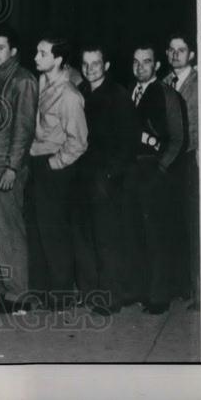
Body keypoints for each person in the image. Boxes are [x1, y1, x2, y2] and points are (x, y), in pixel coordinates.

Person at [72, 44, 139, 315]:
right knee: (85, 237)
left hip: (106, 179)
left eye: (96, 64)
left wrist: (111, 174)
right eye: (86, 64)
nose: (90, 69)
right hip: (82, 176)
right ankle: (90, 293)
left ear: (106, 66)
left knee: (107, 240)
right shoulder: (81, 93)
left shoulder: (118, 95)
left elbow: (129, 141)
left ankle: (111, 298)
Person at [27, 36, 88, 311]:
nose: (36, 57)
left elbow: (79, 141)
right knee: (38, 231)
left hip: (55, 168)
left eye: (42, 53)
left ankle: (62, 293)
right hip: (37, 163)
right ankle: (42, 290)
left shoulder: (70, 95)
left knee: (55, 233)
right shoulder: (41, 82)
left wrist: (55, 163)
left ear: (58, 59)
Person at [125, 43, 186, 315]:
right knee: (137, 233)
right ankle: (141, 289)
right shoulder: (129, 93)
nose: (140, 67)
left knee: (158, 236)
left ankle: (160, 296)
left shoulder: (167, 95)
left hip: (156, 172)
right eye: (136, 62)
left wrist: (161, 169)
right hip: (132, 171)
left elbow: (179, 138)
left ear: (156, 65)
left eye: (146, 62)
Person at [0, 25, 37, 312]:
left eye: (0, 47)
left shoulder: (23, 80)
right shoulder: (0, 76)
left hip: (6, 164)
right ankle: (7, 288)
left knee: (9, 231)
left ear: (14, 50)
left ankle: (20, 293)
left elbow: (24, 128)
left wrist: (13, 167)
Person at [164, 33, 200, 311]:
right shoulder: (163, 83)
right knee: (173, 224)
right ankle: (179, 286)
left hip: (191, 160)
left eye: (182, 50)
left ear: (191, 55)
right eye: (172, 50)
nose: (176, 54)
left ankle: (199, 292)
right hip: (169, 162)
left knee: (194, 226)